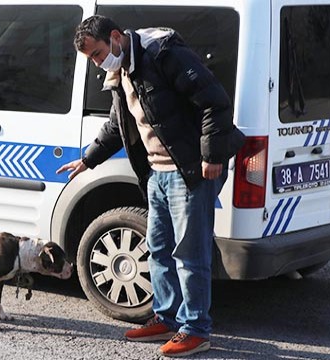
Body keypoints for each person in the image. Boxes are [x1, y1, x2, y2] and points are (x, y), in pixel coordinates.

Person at [57, 15, 245, 357]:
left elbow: (214, 103)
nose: (99, 64)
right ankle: (167, 318)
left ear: (116, 38)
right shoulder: (122, 72)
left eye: (99, 54)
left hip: (190, 172)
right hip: (157, 174)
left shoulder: (163, 55)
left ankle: (196, 330)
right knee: (158, 248)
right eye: (93, 60)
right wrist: (88, 159)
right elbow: (118, 125)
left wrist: (211, 155)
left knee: (189, 254)